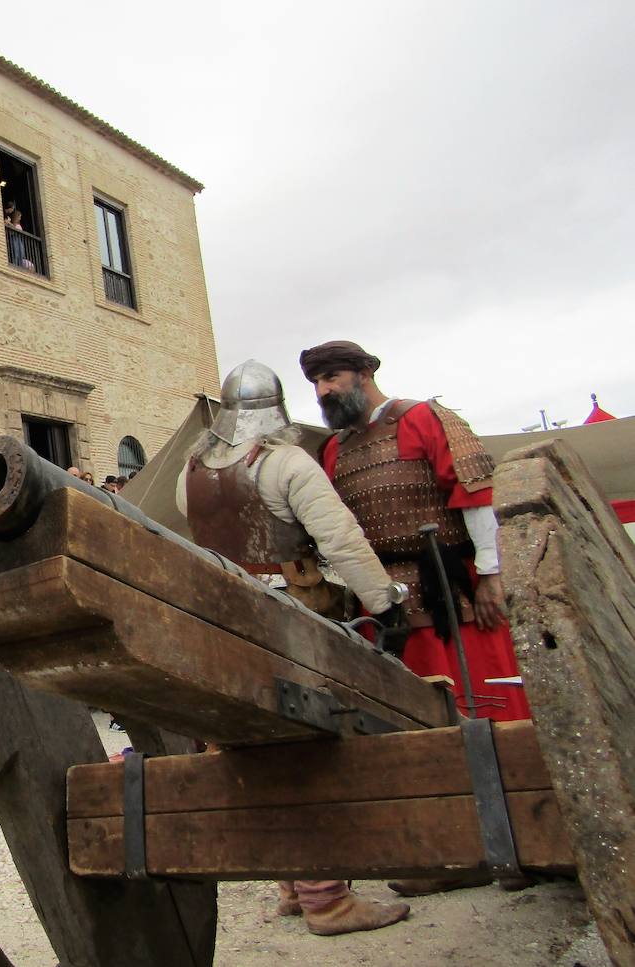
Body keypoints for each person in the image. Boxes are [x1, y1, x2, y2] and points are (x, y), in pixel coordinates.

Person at [176, 360, 411, 936]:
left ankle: (291, 883)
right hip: (288, 622)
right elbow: (340, 537)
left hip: (223, 621)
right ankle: (327, 898)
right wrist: (384, 601)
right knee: (310, 749)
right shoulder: (284, 462)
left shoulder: (193, 471)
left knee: (256, 749)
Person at [299, 341, 530, 723]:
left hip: (451, 592)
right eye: (316, 382)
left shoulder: (425, 418)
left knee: (485, 708)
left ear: (365, 373)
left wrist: (491, 575)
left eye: (331, 377)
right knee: (403, 718)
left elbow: (474, 494)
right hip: (378, 604)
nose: (323, 390)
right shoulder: (334, 450)